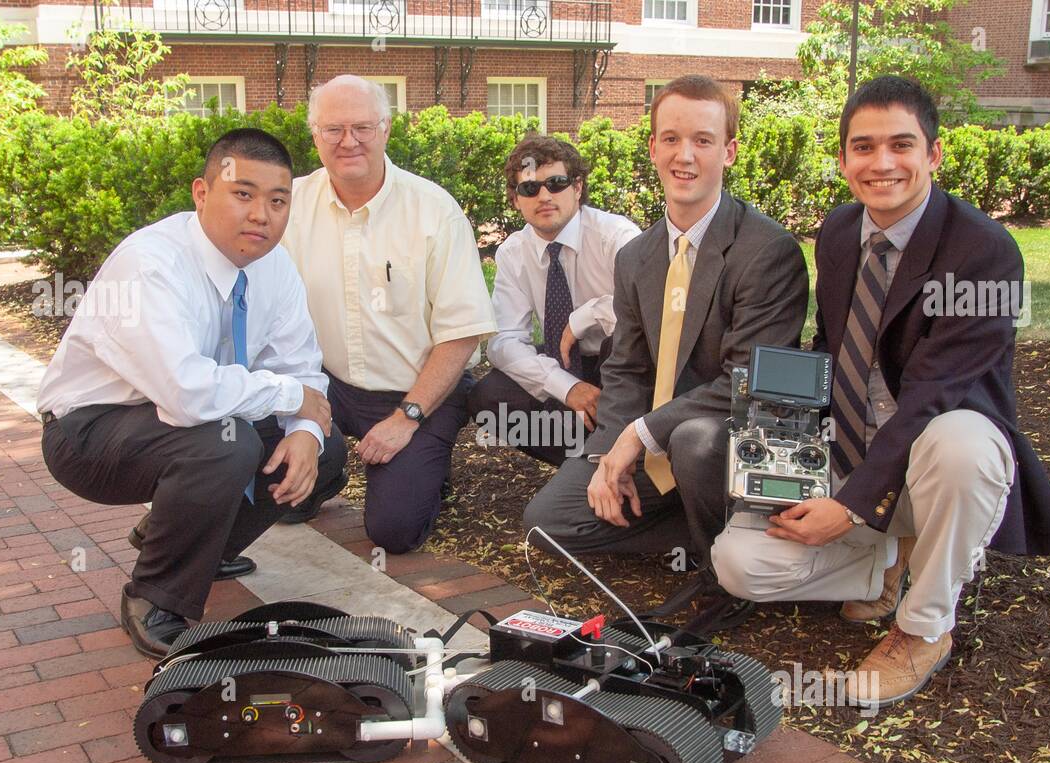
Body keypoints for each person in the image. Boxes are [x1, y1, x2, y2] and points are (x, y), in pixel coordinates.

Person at [711, 76, 1050, 705]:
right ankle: (885, 565)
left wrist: (850, 506)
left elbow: (933, 394)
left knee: (963, 443)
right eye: (863, 147)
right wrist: (780, 438)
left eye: (901, 145)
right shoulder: (836, 232)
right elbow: (832, 347)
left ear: (933, 154)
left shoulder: (984, 252)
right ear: (844, 160)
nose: (882, 164)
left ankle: (924, 625)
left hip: (932, 464)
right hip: (851, 450)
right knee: (738, 564)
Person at [37, 129, 348, 658]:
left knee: (327, 448)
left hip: (190, 423)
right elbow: (186, 393)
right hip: (90, 431)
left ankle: (201, 542)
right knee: (226, 445)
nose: (262, 215)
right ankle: (155, 597)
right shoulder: (151, 263)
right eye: (243, 194)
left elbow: (301, 369)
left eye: (278, 201)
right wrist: (290, 397)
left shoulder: (274, 265)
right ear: (202, 194)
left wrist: (305, 431)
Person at [522, 75, 809, 633]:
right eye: (671, 138)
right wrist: (611, 455)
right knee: (549, 522)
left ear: (728, 151)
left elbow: (752, 381)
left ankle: (726, 561)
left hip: (733, 443)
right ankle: (711, 525)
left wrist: (640, 435)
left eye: (703, 140)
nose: (685, 155)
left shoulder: (767, 251)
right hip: (662, 447)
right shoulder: (637, 257)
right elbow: (626, 368)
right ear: (652, 146)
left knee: (692, 440)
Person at [279, 75, 497, 552]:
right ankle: (327, 469)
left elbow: (461, 335)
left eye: (362, 127)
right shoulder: (290, 206)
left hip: (417, 390)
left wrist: (407, 417)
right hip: (329, 384)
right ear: (314, 134)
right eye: (333, 129)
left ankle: (428, 472)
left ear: (386, 130)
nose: (348, 141)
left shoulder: (434, 211)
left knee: (393, 532)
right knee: (275, 491)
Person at [468, 134, 640, 466]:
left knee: (617, 342)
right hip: (565, 363)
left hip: (623, 366)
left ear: (577, 188)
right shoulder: (514, 253)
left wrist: (584, 317)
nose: (544, 196)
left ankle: (614, 458)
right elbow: (503, 341)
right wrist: (566, 387)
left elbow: (650, 315)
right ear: (516, 200)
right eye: (530, 189)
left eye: (556, 183)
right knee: (488, 398)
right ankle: (580, 467)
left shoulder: (617, 237)